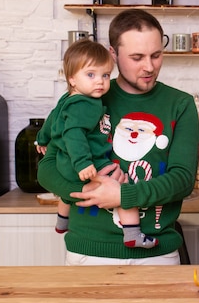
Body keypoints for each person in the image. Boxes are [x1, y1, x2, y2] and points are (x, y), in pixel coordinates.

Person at [37, 9, 199, 265]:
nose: (149, 66)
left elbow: (182, 180)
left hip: (156, 256)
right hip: (87, 253)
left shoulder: (180, 104)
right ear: (113, 54)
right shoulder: (82, 100)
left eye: (156, 55)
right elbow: (46, 169)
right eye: (137, 57)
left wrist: (124, 197)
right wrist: (92, 191)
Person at [35, 40, 158, 248]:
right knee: (122, 189)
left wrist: (42, 138)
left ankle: (62, 222)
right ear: (72, 78)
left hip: (64, 162)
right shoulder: (86, 104)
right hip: (86, 161)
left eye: (105, 75)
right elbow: (74, 133)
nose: (100, 82)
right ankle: (133, 234)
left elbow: (52, 119)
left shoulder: (67, 99)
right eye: (91, 75)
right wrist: (83, 164)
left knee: (66, 194)